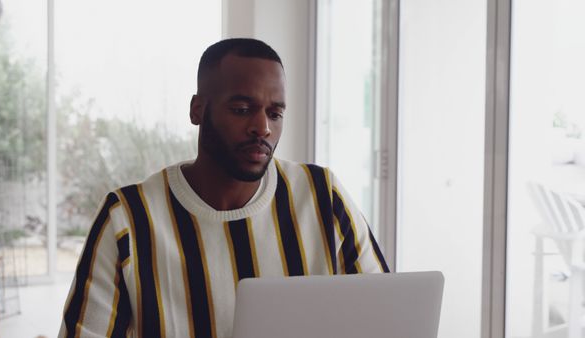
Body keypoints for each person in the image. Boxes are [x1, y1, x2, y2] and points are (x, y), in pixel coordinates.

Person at [59, 38, 389, 338]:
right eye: (242, 110)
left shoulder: (323, 197)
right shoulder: (128, 218)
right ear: (197, 110)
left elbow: (386, 317)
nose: (262, 127)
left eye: (275, 114)